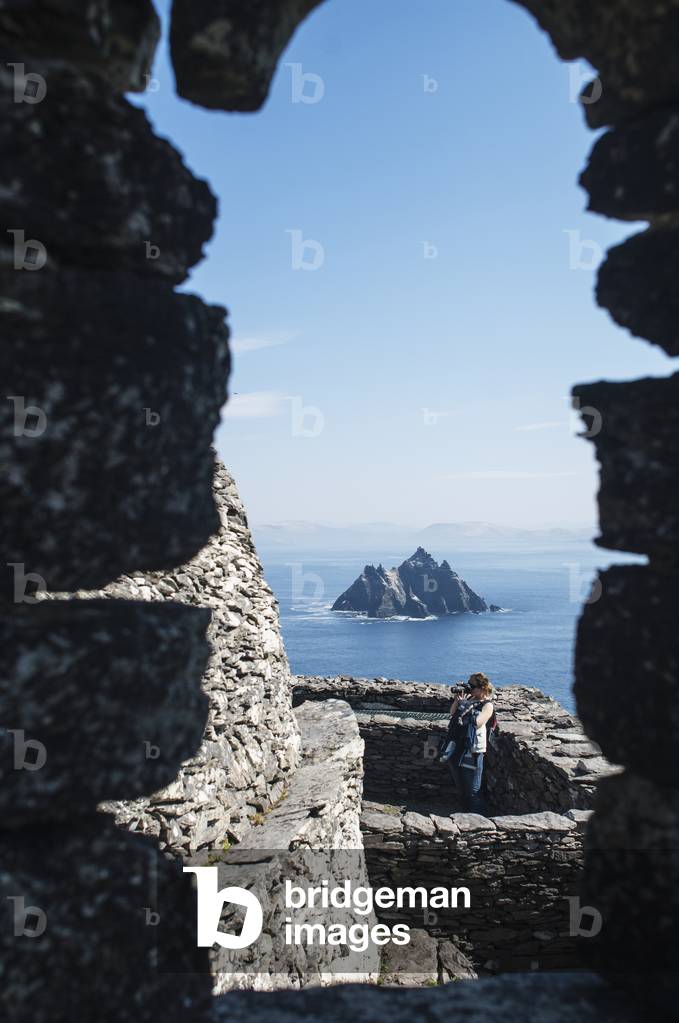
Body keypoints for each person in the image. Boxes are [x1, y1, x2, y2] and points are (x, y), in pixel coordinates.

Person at [441, 672, 494, 815]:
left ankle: (479, 820)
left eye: (472, 686)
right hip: (458, 747)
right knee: (462, 788)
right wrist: (458, 702)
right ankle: (466, 817)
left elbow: (478, 722)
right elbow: (452, 713)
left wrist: (464, 705)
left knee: (473, 791)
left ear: (482, 688)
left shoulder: (487, 705)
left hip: (474, 751)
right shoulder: (469, 699)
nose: (469, 688)